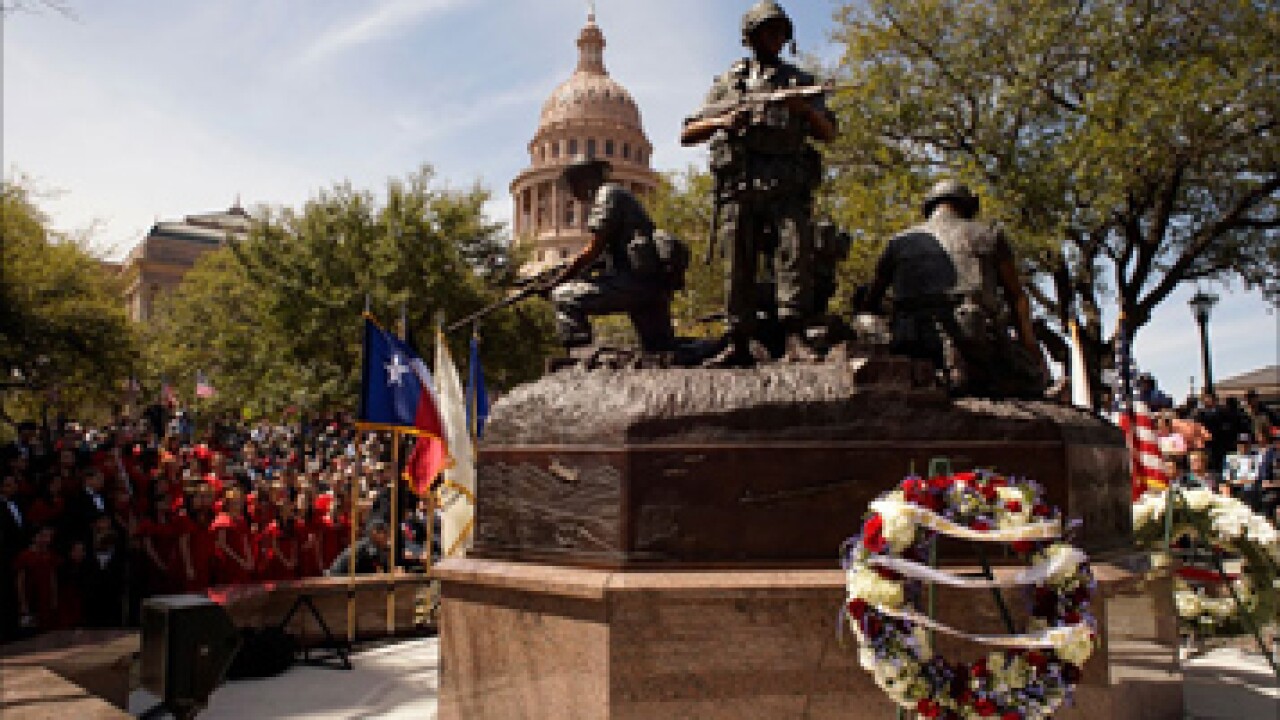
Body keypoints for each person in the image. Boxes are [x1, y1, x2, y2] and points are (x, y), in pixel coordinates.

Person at [681, 0, 836, 364]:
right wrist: (725, 121)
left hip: (787, 184)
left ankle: (794, 335)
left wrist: (806, 113)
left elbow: (829, 132)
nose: (776, 38)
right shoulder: (728, 84)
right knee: (738, 263)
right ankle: (738, 339)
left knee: (793, 257)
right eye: (768, 31)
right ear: (750, 37)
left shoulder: (799, 82)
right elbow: (688, 131)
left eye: (781, 32)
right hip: (741, 185)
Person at [857, 180, 1049, 398]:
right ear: (968, 205)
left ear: (930, 207)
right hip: (976, 342)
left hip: (909, 342)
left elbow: (870, 303)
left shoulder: (897, 242)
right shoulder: (990, 235)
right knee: (1030, 376)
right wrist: (1030, 345)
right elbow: (1017, 298)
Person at [547, 155, 678, 354]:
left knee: (564, 297)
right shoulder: (619, 195)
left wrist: (561, 278)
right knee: (661, 348)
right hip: (649, 284)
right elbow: (603, 257)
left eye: (574, 184)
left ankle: (580, 353)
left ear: (585, 179)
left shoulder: (607, 195)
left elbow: (594, 249)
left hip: (633, 282)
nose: (573, 192)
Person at [326, 519, 391, 576]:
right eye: (385, 533)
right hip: (337, 580)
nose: (387, 538)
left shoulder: (369, 544)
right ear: (374, 533)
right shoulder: (368, 547)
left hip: (341, 578)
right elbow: (370, 570)